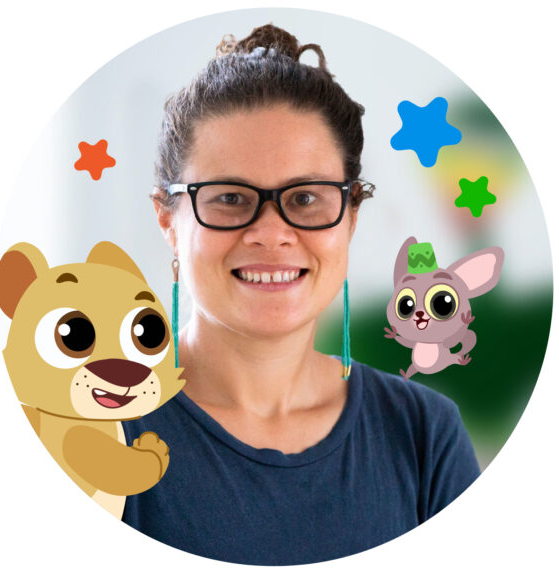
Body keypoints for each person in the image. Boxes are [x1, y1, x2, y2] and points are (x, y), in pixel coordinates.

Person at [122, 24, 480, 565]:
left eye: (307, 198)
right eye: (229, 198)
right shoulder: (97, 421)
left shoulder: (425, 433)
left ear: (351, 217)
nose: (271, 233)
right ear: (168, 220)